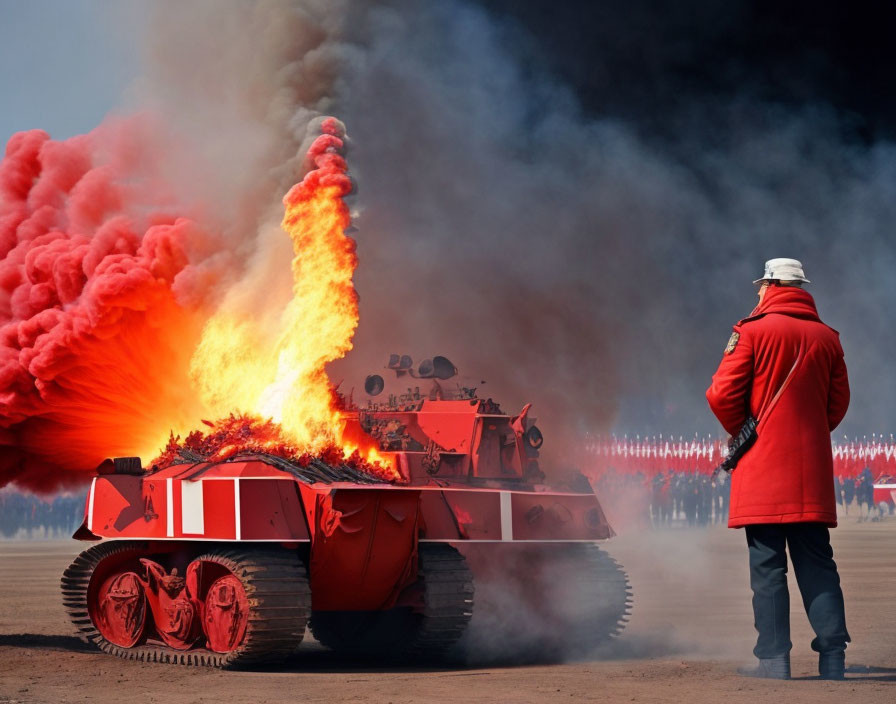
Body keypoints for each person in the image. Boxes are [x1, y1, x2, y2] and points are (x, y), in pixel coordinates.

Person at [706, 258, 850, 681]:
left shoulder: (750, 331)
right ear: (799, 288)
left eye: (760, 286)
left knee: (768, 567)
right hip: (812, 474)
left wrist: (747, 431)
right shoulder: (829, 338)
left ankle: (773, 661)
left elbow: (721, 394)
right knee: (818, 564)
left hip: (763, 470)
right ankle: (833, 658)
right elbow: (836, 406)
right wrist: (806, 432)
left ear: (771, 286)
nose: (757, 293)